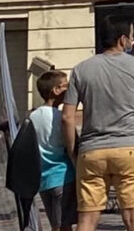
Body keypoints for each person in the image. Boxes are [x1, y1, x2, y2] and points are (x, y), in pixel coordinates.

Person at [62, 18, 134, 231]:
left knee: (87, 218)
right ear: (123, 40)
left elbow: (67, 117)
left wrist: (73, 152)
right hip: (129, 147)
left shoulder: (80, 69)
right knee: (133, 216)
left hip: (92, 149)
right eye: (131, 36)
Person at [33, 70, 76, 231]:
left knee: (55, 224)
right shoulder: (62, 117)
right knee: (63, 226)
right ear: (56, 90)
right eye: (66, 86)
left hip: (43, 180)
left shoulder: (32, 117)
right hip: (63, 176)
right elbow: (71, 143)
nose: (70, 90)